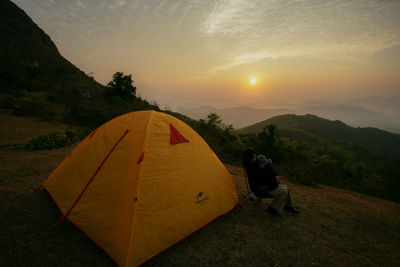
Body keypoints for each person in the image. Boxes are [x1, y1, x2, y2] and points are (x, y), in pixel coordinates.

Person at [243, 147, 299, 217]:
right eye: (254, 156)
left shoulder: (252, 165)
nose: (256, 157)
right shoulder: (253, 168)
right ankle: (273, 208)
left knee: (286, 187)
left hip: (263, 186)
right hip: (261, 190)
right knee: (284, 190)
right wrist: (269, 167)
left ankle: (288, 205)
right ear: (250, 158)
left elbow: (264, 174)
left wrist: (267, 164)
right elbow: (263, 178)